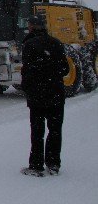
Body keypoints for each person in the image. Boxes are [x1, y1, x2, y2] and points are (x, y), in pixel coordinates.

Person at [20, 14, 69, 177]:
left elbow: (27, 71)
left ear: (32, 27)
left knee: (37, 132)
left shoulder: (28, 44)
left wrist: (27, 88)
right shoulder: (57, 43)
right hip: (56, 94)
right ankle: (54, 164)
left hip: (37, 96)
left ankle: (36, 166)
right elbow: (65, 69)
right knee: (55, 130)